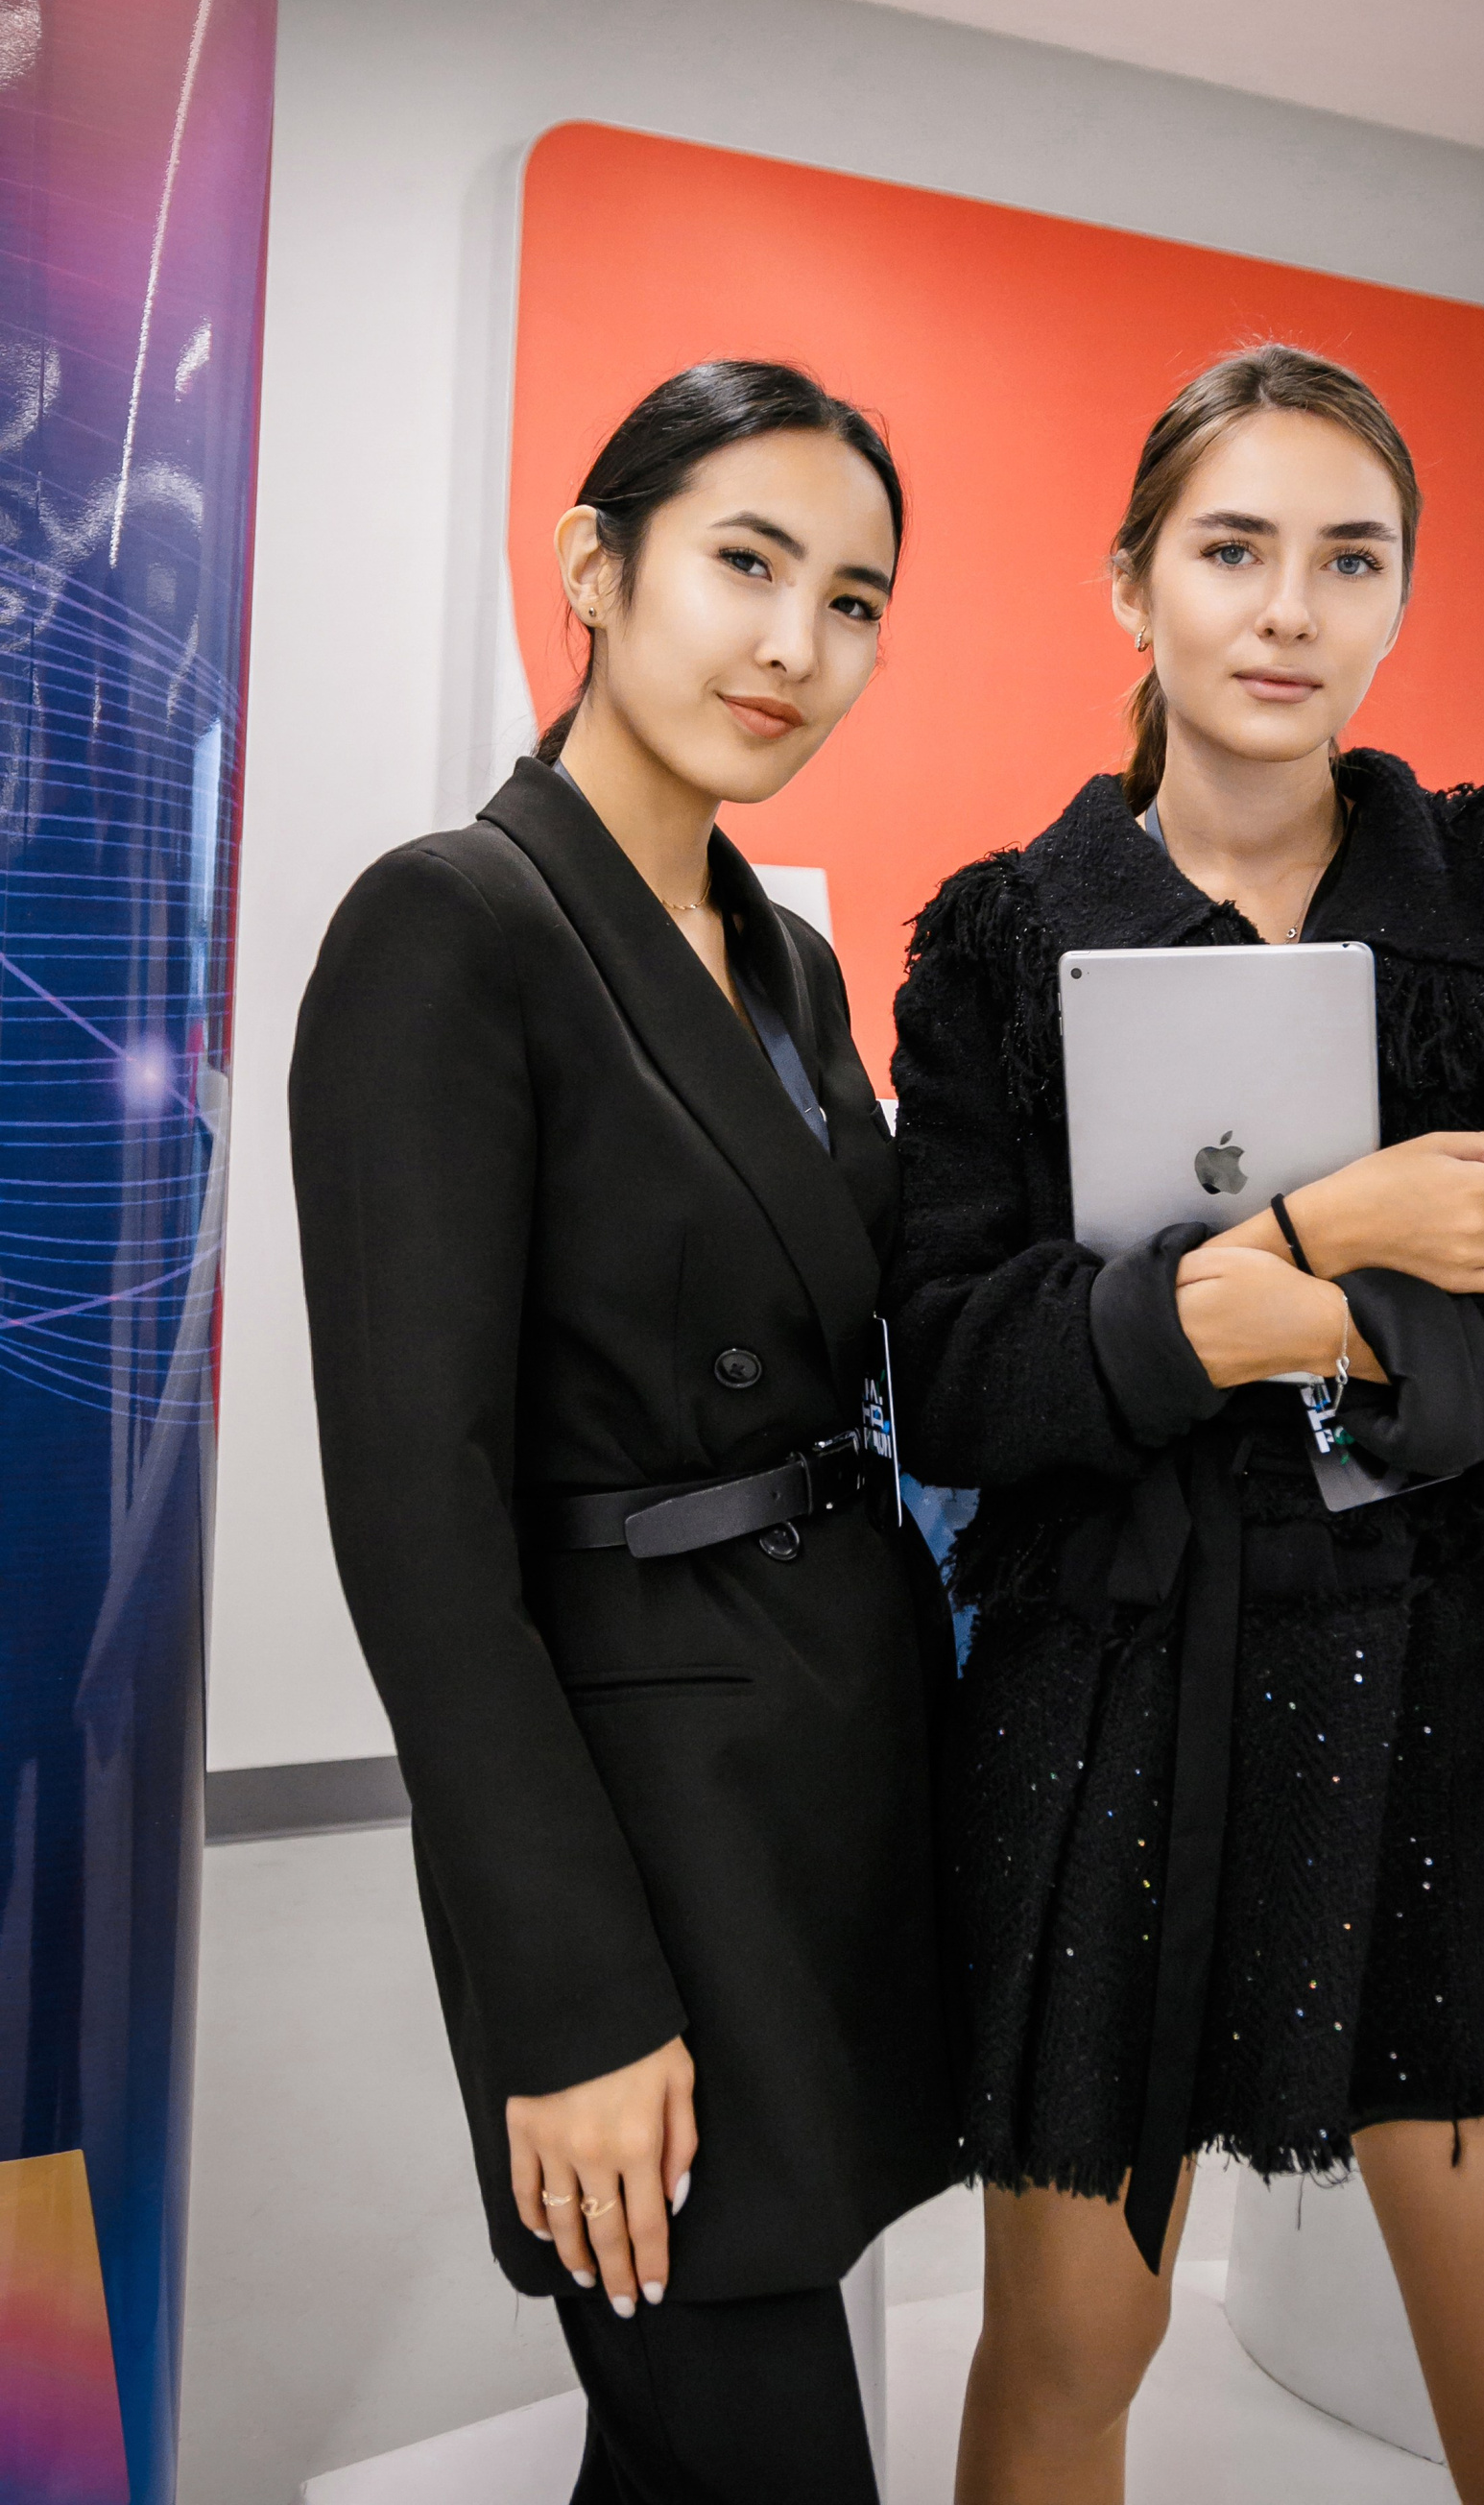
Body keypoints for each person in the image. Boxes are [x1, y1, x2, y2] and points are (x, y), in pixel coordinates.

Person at [885, 344, 1484, 2505]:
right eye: (1233, 550)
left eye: (1349, 559)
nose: (1288, 610)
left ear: (1397, 602)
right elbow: (958, 1373)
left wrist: (1349, 1328)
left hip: (1466, 1707)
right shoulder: (999, 946)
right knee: (1063, 2367)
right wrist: (1315, 1243)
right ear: (1133, 585)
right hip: (1116, 1705)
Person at [290, 360, 958, 2505]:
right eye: (745, 564)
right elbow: (419, 1522)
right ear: (594, 565)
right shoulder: (448, 925)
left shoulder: (787, 961)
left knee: (684, 2451)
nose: (794, 645)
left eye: (852, 601)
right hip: (633, 1825)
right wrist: (567, 1995)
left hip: (825, 1768)